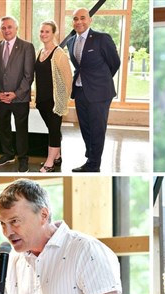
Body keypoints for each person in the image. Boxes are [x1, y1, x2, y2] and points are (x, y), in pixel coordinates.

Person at [67, 8, 121, 172]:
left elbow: (115, 63)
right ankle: (91, 155)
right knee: (85, 126)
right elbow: (79, 66)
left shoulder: (101, 38)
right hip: (80, 90)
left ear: (90, 20)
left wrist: (101, 80)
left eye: (82, 18)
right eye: (75, 19)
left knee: (97, 128)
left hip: (99, 91)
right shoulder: (71, 41)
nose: (79, 22)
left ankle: (93, 164)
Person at [0, 16, 35, 172]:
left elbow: (29, 76)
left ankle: (23, 159)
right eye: (3, 28)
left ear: (16, 28)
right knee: (3, 128)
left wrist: (16, 94)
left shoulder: (27, 47)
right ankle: (8, 154)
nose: (6, 30)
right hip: (1, 98)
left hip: (20, 98)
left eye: (9, 27)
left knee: (21, 130)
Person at [35, 20, 73, 173]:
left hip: (55, 101)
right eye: (42, 31)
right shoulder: (40, 52)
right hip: (42, 100)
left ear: (54, 33)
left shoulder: (59, 54)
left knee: (54, 130)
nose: (43, 34)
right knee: (53, 129)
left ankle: (50, 162)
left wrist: (63, 102)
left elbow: (68, 79)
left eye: (47, 32)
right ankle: (57, 155)